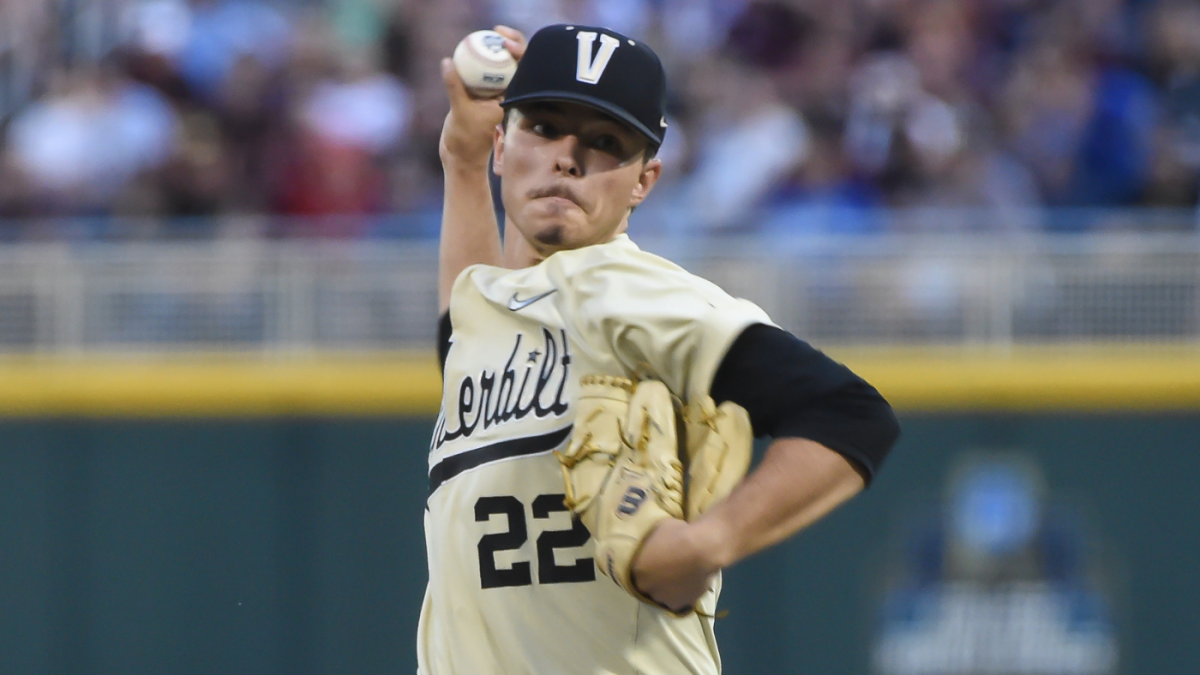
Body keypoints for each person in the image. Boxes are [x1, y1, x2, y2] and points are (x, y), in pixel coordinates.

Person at [420, 23, 900, 675]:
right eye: (544, 127)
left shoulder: (632, 295)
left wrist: (710, 539)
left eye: (604, 142)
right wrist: (461, 162)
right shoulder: (493, 308)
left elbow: (849, 411)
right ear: (503, 144)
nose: (567, 157)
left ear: (644, 181)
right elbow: (464, 338)